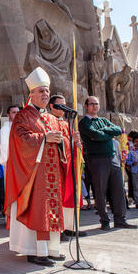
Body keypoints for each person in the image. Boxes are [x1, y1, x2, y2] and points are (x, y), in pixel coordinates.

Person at [4, 67, 68, 267]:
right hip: (33, 174)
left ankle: (52, 249)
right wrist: (44, 138)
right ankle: (35, 251)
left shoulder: (52, 118)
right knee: (38, 209)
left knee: (52, 209)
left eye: (47, 91)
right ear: (31, 94)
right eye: (41, 91)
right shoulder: (23, 116)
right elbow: (20, 140)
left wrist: (62, 141)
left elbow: (61, 140)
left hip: (52, 174)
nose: (45, 94)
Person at [78, 96, 137, 230]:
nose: (95, 106)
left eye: (97, 104)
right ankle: (104, 220)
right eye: (92, 104)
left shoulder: (103, 120)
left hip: (112, 158)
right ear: (86, 106)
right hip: (97, 160)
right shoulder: (84, 123)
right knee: (100, 191)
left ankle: (120, 219)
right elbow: (96, 135)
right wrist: (107, 134)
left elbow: (118, 130)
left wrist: (104, 133)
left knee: (119, 190)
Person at [48, 94, 87, 239]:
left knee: (71, 195)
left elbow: (74, 144)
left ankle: (71, 227)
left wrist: (77, 143)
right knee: (59, 196)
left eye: (65, 105)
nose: (64, 108)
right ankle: (59, 228)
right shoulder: (48, 121)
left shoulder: (67, 123)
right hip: (57, 165)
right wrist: (69, 141)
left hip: (70, 164)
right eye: (60, 105)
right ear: (52, 106)